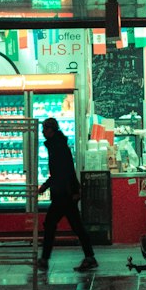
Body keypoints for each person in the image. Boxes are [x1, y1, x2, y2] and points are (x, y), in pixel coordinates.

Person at [38, 117, 97, 273]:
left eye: (44, 129)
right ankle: (89, 257)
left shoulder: (57, 146)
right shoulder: (58, 144)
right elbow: (66, 170)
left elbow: (62, 171)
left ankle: (44, 259)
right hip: (65, 192)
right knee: (75, 226)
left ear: (51, 130)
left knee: (51, 224)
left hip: (63, 193)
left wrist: (46, 185)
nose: (42, 132)